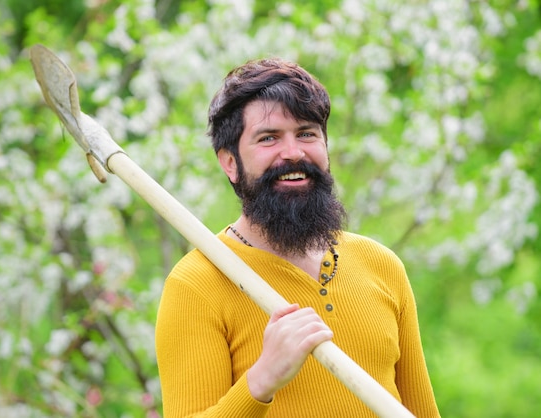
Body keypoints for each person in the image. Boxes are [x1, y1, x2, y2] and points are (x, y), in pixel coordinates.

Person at [155, 58, 440, 417]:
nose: (293, 153)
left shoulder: (381, 266)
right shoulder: (196, 284)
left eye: (306, 133)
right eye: (268, 138)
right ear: (229, 163)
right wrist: (261, 381)